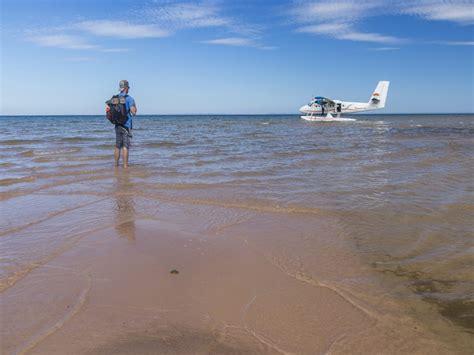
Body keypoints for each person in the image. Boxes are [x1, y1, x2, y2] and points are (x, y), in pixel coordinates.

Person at [106, 80, 137, 168]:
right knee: (125, 146)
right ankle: (125, 166)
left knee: (117, 146)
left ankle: (116, 165)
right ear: (126, 88)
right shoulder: (129, 98)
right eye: (128, 88)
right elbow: (133, 112)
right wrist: (135, 105)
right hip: (126, 125)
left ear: (120, 88)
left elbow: (108, 109)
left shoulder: (115, 98)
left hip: (117, 125)